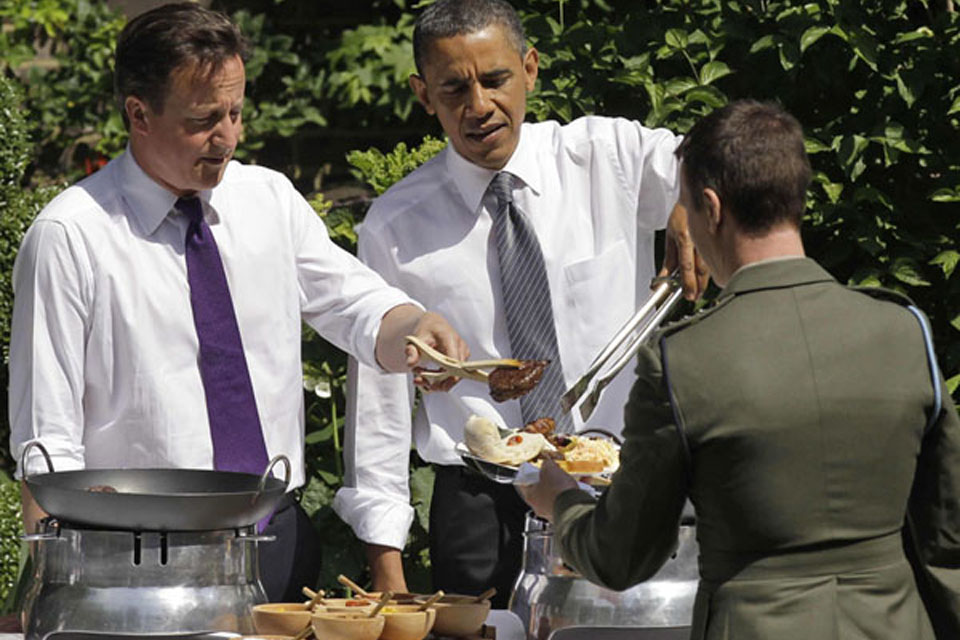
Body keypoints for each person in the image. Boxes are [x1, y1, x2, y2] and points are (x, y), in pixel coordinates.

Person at [9, 2, 467, 603]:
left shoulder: (268, 201)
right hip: (138, 560)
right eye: (204, 119)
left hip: (277, 539)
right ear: (138, 114)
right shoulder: (71, 236)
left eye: (236, 111)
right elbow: (48, 442)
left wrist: (414, 326)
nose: (228, 137)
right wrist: (57, 592)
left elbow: (357, 306)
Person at [518, 100, 960, 639]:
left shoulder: (682, 359)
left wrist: (559, 501)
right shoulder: (905, 330)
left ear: (711, 207)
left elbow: (620, 555)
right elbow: (946, 535)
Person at [333, 0, 706, 606]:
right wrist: (386, 562)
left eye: (496, 79)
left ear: (530, 69)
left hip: (616, 484)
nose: (478, 107)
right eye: (453, 88)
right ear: (423, 95)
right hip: (479, 504)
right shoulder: (395, 225)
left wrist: (696, 192)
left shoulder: (605, 158)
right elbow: (380, 404)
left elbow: (713, 151)